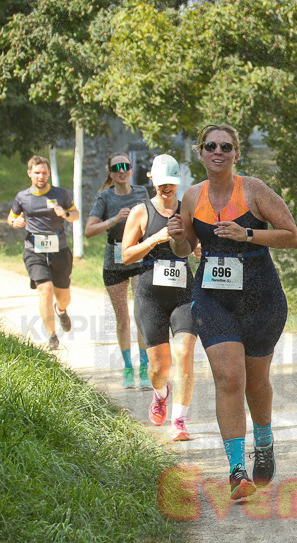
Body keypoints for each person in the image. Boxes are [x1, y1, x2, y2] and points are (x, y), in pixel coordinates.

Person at [167, 125, 297, 500]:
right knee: (229, 379)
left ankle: (264, 439)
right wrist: (177, 236)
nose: (218, 152)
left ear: (236, 154)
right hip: (212, 298)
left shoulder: (254, 190)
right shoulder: (192, 196)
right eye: (211, 146)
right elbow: (184, 250)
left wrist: (249, 235)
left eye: (226, 147)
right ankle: (236, 469)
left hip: (261, 298)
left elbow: (292, 236)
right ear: (201, 153)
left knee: (256, 382)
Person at [121, 155, 199, 441]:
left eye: (172, 183)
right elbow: (126, 255)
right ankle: (161, 393)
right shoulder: (141, 212)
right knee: (159, 367)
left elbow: (194, 242)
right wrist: (155, 239)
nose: (167, 188)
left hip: (183, 292)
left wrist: (197, 247)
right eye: (162, 183)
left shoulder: (186, 210)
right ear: (152, 180)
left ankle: (179, 420)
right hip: (150, 296)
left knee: (184, 354)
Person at [85, 153, 151, 388]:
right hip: (114, 262)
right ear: (111, 173)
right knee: (122, 318)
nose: (122, 170)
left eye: (126, 166)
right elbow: (89, 230)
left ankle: (144, 368)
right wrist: (114, 220)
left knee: (141, 313)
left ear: (132, 170)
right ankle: (127, 368)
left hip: (139, 258)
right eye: (117, 167)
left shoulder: (142, 192)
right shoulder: (104, 197)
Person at [7, 155, 80, 350]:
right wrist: (16, 223)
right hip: (34, 251)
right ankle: (52, 336)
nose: (41, 176)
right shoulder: (22, 197)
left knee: (63, 295)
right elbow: (11, 218)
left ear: (48, 174)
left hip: (60, 250)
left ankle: (61, 309)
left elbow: (75, 214)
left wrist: (64, 214)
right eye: (37, 172)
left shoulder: (61, 194)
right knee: (45, 290)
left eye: (44, 173)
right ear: (29, 173)